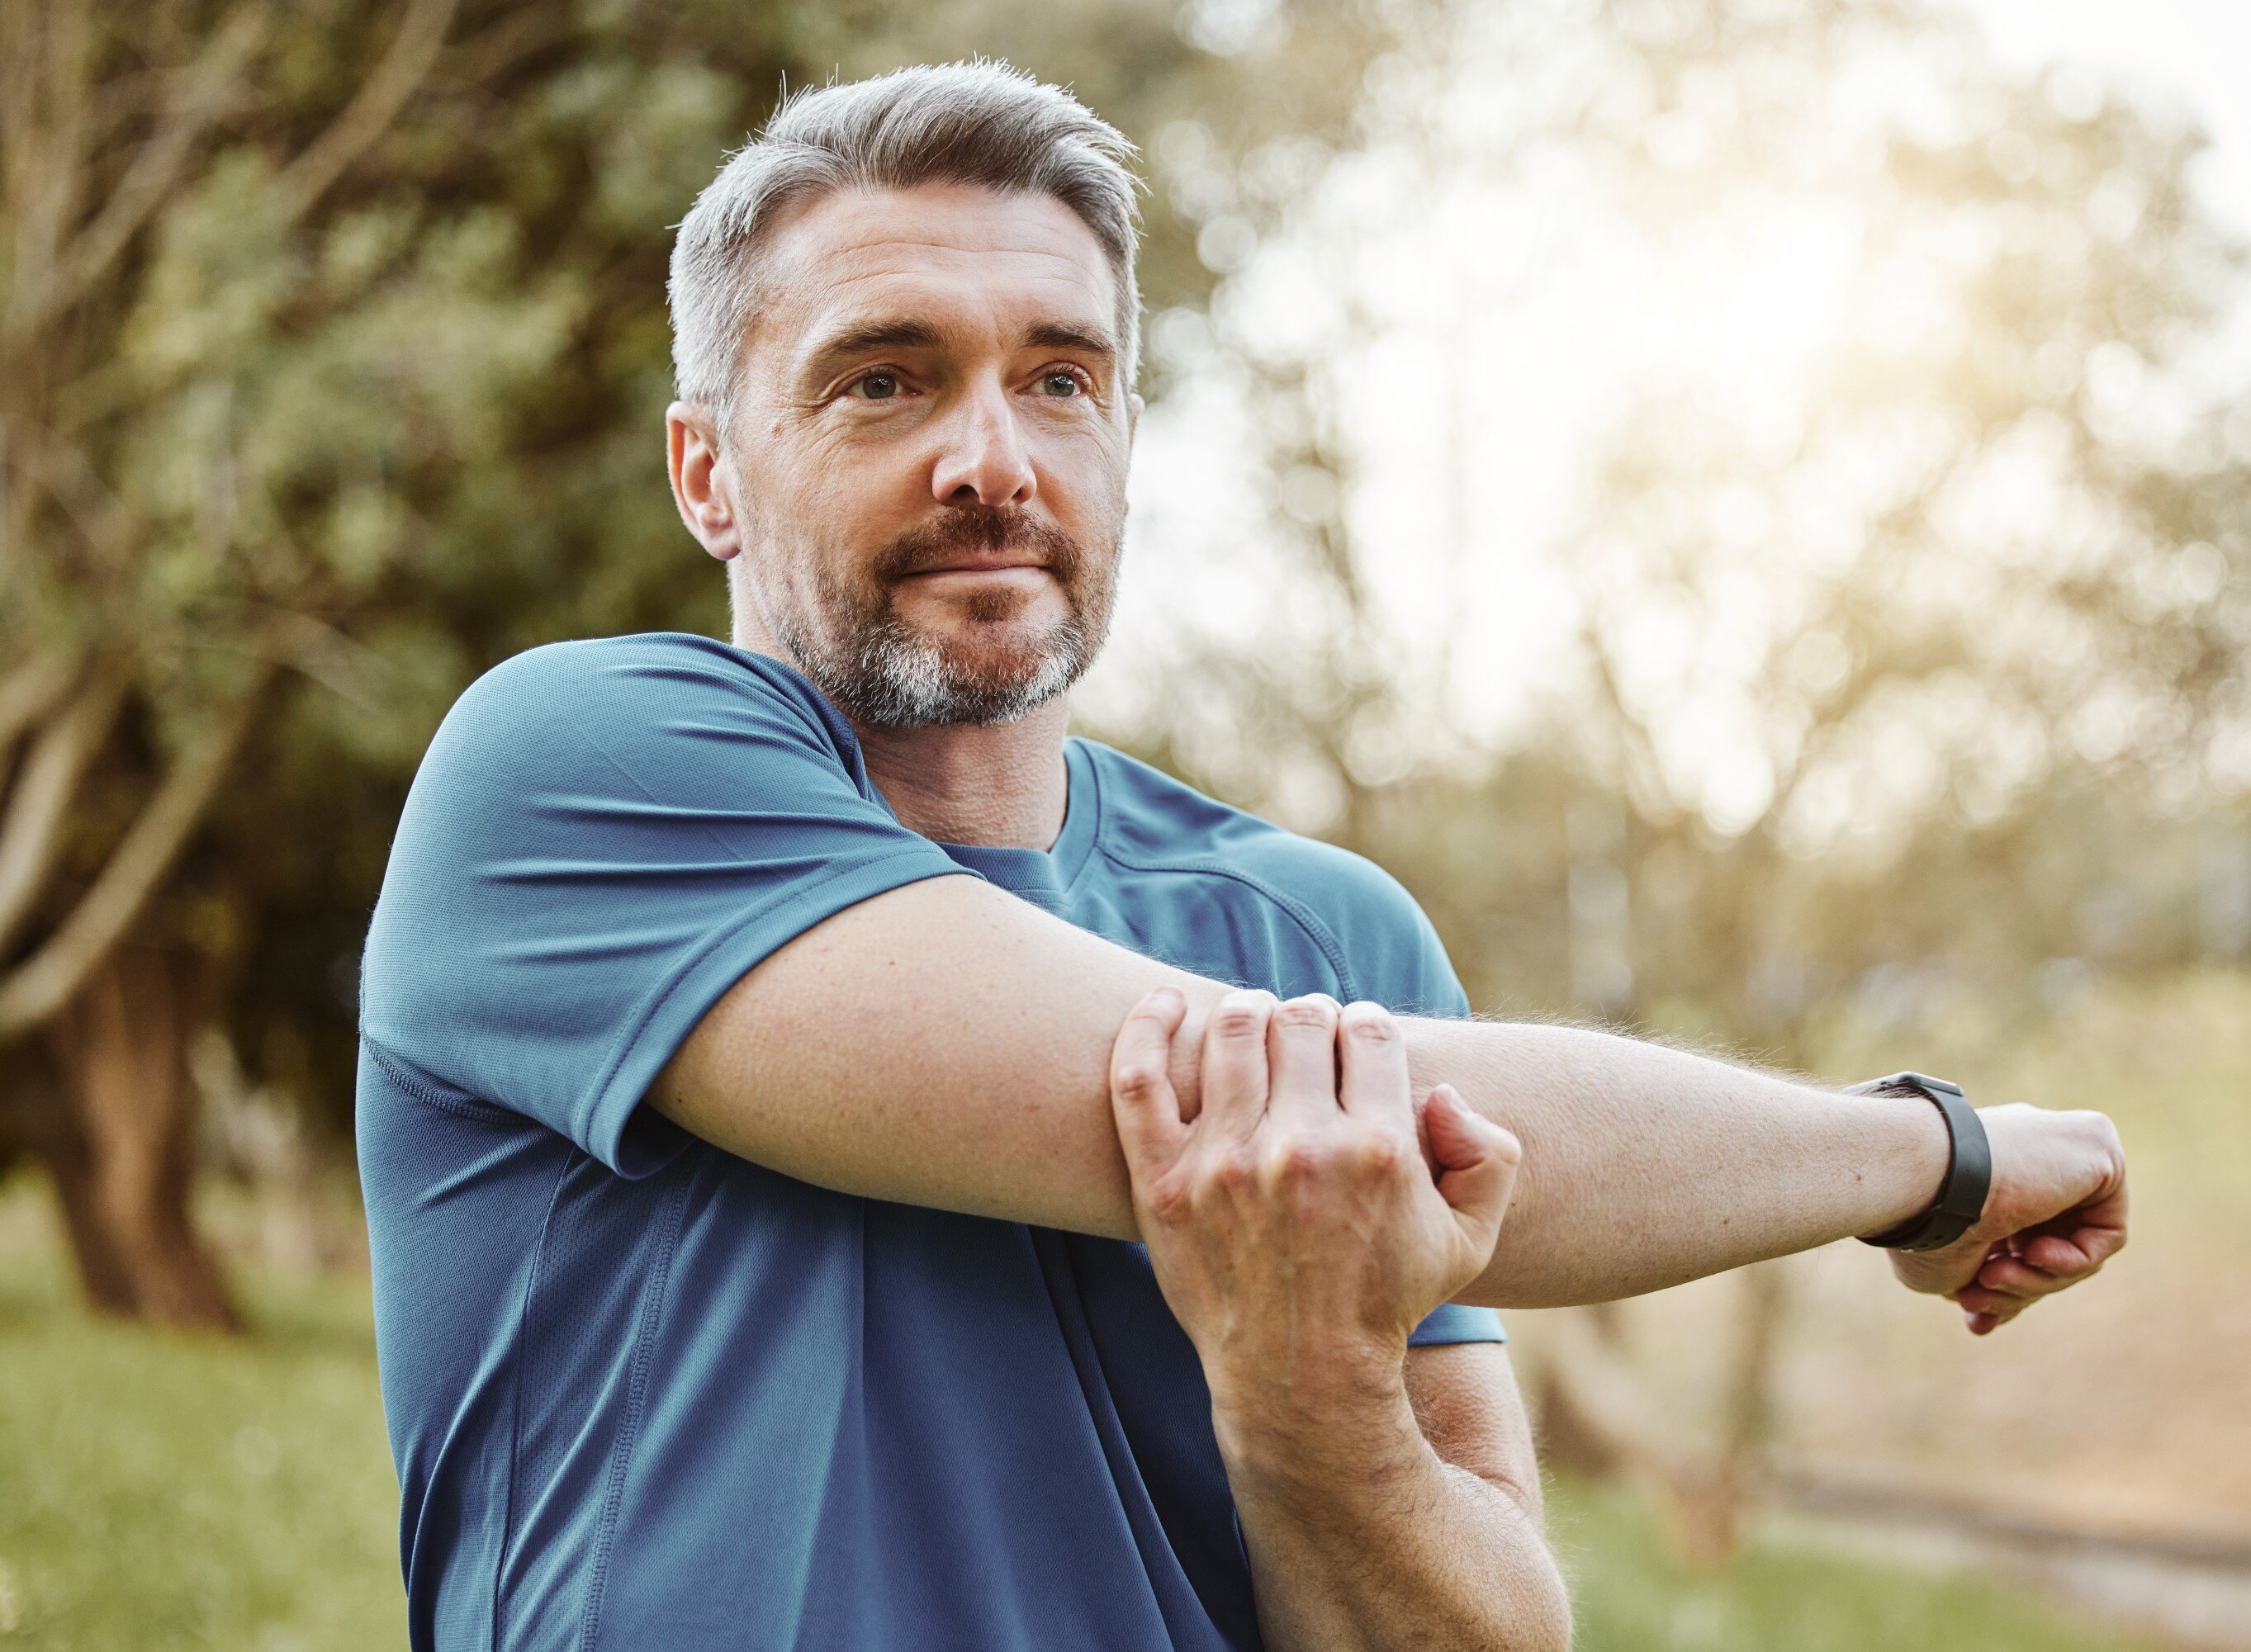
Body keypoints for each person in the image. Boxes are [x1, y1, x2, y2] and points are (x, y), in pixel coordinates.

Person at [357, 61, 2128, 1652]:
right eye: (885, 380)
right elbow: (1275, 1104)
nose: (994, 458)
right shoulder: (568, 775)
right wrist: (1933, 1152)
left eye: (1061, 378)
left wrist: (1314, 1399)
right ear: (706, 471)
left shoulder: (1325, 924)